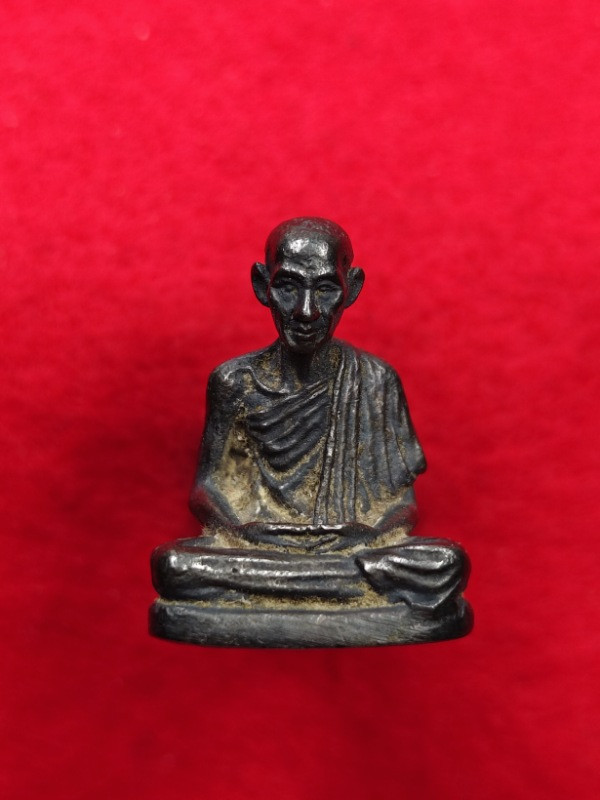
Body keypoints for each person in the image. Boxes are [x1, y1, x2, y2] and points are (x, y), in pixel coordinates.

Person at [151, 218, 471, 646]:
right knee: (175, 566)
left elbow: (402, 504)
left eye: (325, 289)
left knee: (444, 562)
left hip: (349, 548)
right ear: (262, 286)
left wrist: (366, 533)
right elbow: (207, 489)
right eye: (288, 287)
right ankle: (336, 590)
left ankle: (295, 589)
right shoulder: (234, 381)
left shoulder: (375, 380)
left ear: (351, 289)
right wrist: (243, 532)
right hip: (258, 546)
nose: (306, 311)